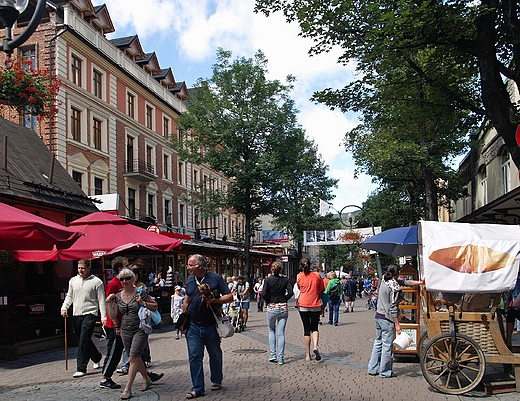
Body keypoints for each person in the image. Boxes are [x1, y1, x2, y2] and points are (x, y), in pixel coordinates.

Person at [183, 254, 233, 399]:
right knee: (194, 357)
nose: (188, 268)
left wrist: (214, 300)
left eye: (190, 265)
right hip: (192, 326)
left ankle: (216, 379)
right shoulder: (190, 279)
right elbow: (187, 297)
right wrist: (184, 315)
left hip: (211, 325)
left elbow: (229, 297)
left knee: (215, 354)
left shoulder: (215, 278)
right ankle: (197, 388)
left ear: (200, 266)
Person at [106, 268, 158, 400]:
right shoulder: (118, 296)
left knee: (133, 357)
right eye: (121, 279)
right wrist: (108, 303)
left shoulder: (140, 292)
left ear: (132, 279)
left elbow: (155, 306)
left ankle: (127, 388)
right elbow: (113, 315)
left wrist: (143, 302)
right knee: (133, 356)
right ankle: (146, 379)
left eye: (127, 279)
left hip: (140, 328)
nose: (124, 282)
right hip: (125, 330)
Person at [368, 264, 422, 378]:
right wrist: (397, 324)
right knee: (387, 346)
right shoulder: (395, 287)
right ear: (398, 273)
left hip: (378, 315)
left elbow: (404, 283)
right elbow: (393, 307)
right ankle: (385, 372)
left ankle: (372, 368)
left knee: (378, 342)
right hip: (387, 318)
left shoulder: (384, 279)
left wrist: (419, 282)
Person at [60, 259, 106, 378]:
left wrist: (103, 317)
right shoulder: (73, 281)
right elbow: (69, 296)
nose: (80, 270)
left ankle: (81, 367)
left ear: (89, 268)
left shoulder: (97, 282)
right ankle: (96, 357)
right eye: (79, 268)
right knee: (83, 338)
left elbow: (101, 300)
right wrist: (64, 308)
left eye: (83, 268)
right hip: (76, 314)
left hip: (90, 313)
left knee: (83, 340)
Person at [100, 256, 128, 389]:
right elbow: (109, 304)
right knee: (114, 351)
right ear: (120, 268)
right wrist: (116, 323)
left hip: (125, 322)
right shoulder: (113, 284)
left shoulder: (123, 283)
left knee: (135, 351)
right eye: (126, 265)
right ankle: (105, 377)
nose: (128, 267)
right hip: (115, 324)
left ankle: (147, 375)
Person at [261, 261, 293, 365]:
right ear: (281, 269)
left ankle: (273, 354)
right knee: (281, 333)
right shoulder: (285, 280)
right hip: (283, 307)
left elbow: (264, 293)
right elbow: (291, 292)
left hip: (272, 306)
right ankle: (281, 357)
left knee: (271, 330)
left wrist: (268, 300)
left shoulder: (267, 280)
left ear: (272, 269)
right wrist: (285, 299)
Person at [296, 257, 324, 361]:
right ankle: (316, 346)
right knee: (315, 328)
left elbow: (299, 287)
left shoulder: (299, 276)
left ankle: (308, 355)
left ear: (301, 266)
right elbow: (321, 288)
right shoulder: (317, 275)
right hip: (315, 304)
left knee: (306, 329)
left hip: (303, 305)